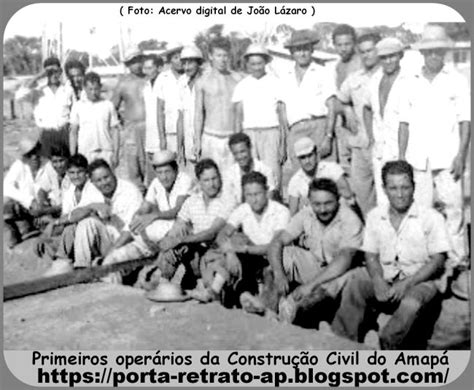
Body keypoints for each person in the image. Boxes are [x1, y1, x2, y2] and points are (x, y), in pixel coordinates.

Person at [331, 161, 450, 350]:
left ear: (414, 188)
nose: (400, 194)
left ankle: (388, 347)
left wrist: (407, 283)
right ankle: (342, 344)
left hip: (420, 281)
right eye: (393, 188)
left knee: (411, 304)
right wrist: (377, 279)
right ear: (384, 189)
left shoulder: (431, 218)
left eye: (405, 187)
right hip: (386, 276)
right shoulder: (374, 216)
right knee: (356, 280)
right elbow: (370, 254)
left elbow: (438, 260)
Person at [399, 25, 470, 265]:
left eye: (438, 51)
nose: (433, 56)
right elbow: (403, 123)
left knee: (455, 210)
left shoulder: (457, 81)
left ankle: (458, 261)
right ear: (421, 53)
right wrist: (401, 160)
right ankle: (425, 263)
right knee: (420, 213)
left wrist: (461, 155)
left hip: (449, 157)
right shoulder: (409, 82)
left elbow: (465, 120)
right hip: (417, 159)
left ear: (444, 52)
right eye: (429, 51)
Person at [259, 178, 363, 325]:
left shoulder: (349, 219)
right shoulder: (307, 213)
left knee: (329, 289)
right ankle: (270, 311)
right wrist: (278, 273)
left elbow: (344, 260)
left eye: (328, 203)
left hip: (340, 274)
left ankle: (296, 315)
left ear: (338, 200)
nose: (322, 209)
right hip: (316, 266)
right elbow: (278, 242)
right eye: (317, 204)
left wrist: (309, 286)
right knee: (282, 257)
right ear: (310, 201)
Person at [193, 172, 291, 304]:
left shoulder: (281, 211)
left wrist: (241, 248)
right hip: (250, 258)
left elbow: (273, 247)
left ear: (267, 192)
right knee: (228, 245)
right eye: (249, 195)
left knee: (239, 240)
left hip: (275, 259)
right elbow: (223, 234)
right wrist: (230, 252)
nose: (254, 200)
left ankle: (254, 301)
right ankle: (215, 291)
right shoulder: (244, 209)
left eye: (257, 194)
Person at [105, 150, 194, 273]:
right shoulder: (156, 182)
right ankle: (117, 254)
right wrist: (138, 216)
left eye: (167, 171)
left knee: (160, 229)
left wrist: (154, 216)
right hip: (161, 232)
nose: (164, 177)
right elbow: (144, 208)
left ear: (175, 169)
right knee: (115, 256)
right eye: (160, 172)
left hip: (181, 230)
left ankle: (156, 260)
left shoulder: (184, 179)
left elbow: (178, 210)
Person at [50, 159, 143, 273]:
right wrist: (92, 206)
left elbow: (130, 231)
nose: (104, 183)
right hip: (107, 240)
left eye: (106, 177)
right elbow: (74, 214)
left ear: (113, 173)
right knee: (86, 223)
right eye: (98, 180)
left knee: (110, 263)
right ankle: (82, 268)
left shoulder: (129, 191)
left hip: (128, 243)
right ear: (92, 182)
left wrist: (110, 253)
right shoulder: (93, 190)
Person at [153, 159, 232, 287]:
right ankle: (162, 284)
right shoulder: (192, 201)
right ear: (199, 182)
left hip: (217, 251)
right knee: (171, 246)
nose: (212, 184)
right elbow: (178, 226)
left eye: (214, 178)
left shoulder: (227, 201)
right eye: (206, 180)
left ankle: (203, 284)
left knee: (211, 275)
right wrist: (169, 242)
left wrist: (180, 240)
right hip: (195, 250)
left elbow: (211, 233)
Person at [279, 29, 337, 166]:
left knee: (325, 175)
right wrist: (286, 139)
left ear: (311, 50)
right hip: (296, 131)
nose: (302, 53)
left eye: (306, 49)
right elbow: (282, 110)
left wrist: (328, 136)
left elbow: (332, 106)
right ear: (292, 53)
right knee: (300, 177)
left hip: (318, 127)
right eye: (298, 50)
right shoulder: (284, 76)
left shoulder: (322, 72)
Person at [338, 32, 381, 216]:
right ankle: (370, 235)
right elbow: (339, 100)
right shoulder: (354, 78)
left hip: (383, 144)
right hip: (360, 144)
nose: (366, 55)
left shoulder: (387, 75)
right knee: (362, 194)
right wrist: (346, 109)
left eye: (370, 50)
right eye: (362, 52)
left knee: (385, 193)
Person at [232, 44, 286, 190]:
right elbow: (238, 117)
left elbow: (282, 116)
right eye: (253, 64)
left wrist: (282, 143)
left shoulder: (276, 82)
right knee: (251, 173)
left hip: (271, 132)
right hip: (249, 134)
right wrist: (238, 142)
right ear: (247, 64)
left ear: (266, 63)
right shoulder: (242, 86)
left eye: (259, 63)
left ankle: (275, 203)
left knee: (273, 173)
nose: (256, 67)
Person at [363, 37, 409, 207]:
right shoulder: (375, 79)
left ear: (400, 56)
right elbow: (366, 108)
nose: (388, 61)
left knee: (404, 198)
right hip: (380, 149)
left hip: (403, 150)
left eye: (392, 56)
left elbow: (410, 121)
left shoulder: (410, 80)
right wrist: (370, 137)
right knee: (383, 198)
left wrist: (403, 155)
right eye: (384, 57)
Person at [38, 154, 104, 267]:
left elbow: (79, 215)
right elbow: (65, 217)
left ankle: (63, 261)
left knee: (72, 227)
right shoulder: (70, 191)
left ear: (87, 173)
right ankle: (63, 263)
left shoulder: (93, 188)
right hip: (76, 236)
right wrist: (46, 233)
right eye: (72, 173)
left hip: (97, 235)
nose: (76, 176)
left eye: (80, 172)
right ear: (67, 174)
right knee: (47, 243)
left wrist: (55, 222)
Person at [194, 37, 243, 169]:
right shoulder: (202, 82)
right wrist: (197, 141)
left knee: (232, 180)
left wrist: (239, 138)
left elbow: (240, 113)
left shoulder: (237, 79)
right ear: (210, 56)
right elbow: (198, 114)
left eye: (225, 55)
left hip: (231, 136)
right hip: (210, 137)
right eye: (218, 55)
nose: (222, 59)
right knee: (211, 178)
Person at [287, 137, 356, 216]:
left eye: (310, 156)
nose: (307, 161)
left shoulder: (332, 168)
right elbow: (293, 214)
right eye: (303, 158)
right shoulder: (295, 181)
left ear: (316, 153)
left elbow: (348, 196)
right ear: (298, 159)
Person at [111, 47, 147, 192]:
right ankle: (138, 195)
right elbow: (112, 106)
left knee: (150, 164)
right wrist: (120, 123)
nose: (137, 65)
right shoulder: (123, 83)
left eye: (138, 61)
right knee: (134, 166)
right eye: (132, 62)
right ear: (127, 65)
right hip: (131, 129)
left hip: (150, 128)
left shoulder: (150, 79)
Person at [69, 72, 120, 167]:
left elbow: (115, 130)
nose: (93, 92)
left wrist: (116, 154)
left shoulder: (108, 105)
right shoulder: (78, 106)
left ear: (100, 87)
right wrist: (73, 156)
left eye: (96, 89)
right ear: (84, 88)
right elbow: (73, 132)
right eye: (90, 89)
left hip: (106, 151)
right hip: (86, 152)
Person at [4, 137, 47, 247]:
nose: (34, 157)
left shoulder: (47, 164)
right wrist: (29, 201)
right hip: (27, 208)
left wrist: (41, 208)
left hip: (45, 208)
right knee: (5, 203)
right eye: (29, 154)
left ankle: (29, 228)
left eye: (35, 152)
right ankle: (16, 231)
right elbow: (6, 187)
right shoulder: (19, 166)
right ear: (24, 157)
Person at [332, 24, 363, 174]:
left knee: (361, 168)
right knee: (346, 169)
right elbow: (338, 99)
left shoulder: (361, 63)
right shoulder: (337, 66)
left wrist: (349, 108)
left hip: (361, 124)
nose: (343, 48)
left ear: (354, 43)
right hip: (343, 125)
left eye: (347, 44)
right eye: (339, 45)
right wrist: (345, 108)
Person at [32, 57, 74, 157]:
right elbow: (20, 94)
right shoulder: (38, 90)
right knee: (47, 166)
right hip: (45, 134)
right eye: (50, 72)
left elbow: (74, 114)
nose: (53, 75)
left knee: (66, 164)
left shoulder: (68, 90)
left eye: (56, 71)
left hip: (64, 134)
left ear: (60, 72)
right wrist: (39, 76)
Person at [223, 133, 278, 205]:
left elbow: (270, 200)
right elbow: (228, 202)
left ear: (250, 148)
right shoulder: (229, 174)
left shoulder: (265, 170)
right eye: (235, 153)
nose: (240, 157)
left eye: (242, 151)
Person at [177, 46, 204, 165]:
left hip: (205, 140)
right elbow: (180, 117)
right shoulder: (182, 82)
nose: (187, 67)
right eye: (184, 63)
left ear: (199, 63)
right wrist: (179, 149)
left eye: (191, 63)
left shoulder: (206, 80)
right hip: (189, 143)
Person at [156, 47, 184, 154]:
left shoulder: (189, 77)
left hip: (189, 132)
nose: (180, 60)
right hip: (171, 133)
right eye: (176, 58)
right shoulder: (163, 78)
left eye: (181, 57)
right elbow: (159, 111)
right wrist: (162, 139)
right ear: (170, 60)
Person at [142, 54, 164, 160]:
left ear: (159, 68)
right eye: (145, 68)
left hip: (164, 137)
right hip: (150, 137)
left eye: (150, 68)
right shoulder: (146, 86)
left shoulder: (165, 83)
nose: (146, 72)